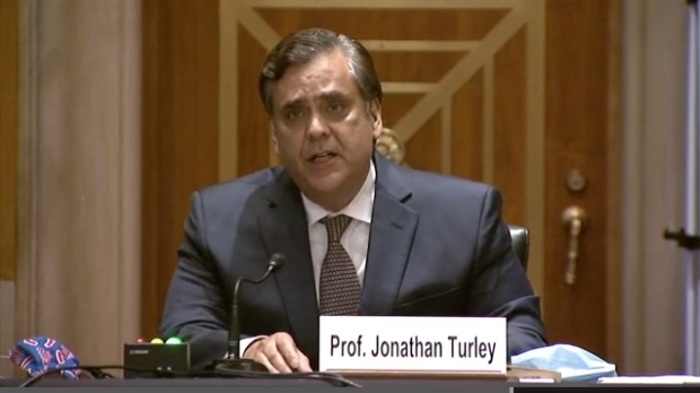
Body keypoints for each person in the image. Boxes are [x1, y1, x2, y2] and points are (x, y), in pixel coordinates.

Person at [160, 27, 548, 373]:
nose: (315, 130)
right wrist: (248, 348)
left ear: (375, 116)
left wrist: (424, 353)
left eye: (334, 107)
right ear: (276, 136)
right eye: (294, 114)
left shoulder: (465, 216)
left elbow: (523, 336)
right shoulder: (219, 219)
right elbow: (182, 332)